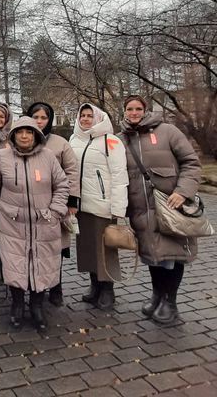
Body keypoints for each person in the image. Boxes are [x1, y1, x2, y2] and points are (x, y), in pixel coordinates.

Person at [119, 95, 201, 324]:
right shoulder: (120, 139)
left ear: (145, 110)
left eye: (138, 109)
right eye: (129, 109)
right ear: (124, 111)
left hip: (170, 207)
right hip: (141, 210)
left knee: (173, 256)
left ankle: (170, 303)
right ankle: (157, 296)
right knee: (153, 256)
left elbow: (191, 163)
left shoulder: (168, 132)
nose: (134, 113)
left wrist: (183, 191)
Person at [0, 116, 69, 331]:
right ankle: (16, 305)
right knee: (15, 263)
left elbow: (62, 184)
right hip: (12, 223)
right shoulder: (2, 157)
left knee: (41, 263)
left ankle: (36, 305)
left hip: (44, 222)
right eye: (20, 132)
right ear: (13, 135)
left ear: (36, 135)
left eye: (29, 132)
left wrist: (56, 211)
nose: (25, 136)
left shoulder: (48, 156)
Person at [70, 104, 129, 311]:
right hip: (80, 206)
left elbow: (120, 176)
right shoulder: (74, 139)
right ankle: (94, 284)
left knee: (105, 249)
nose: (86, 119)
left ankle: (107, 289)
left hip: (103, 206)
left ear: (98, 118)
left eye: (90, 116)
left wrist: (118, 208)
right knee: (87, 248)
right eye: (82, 115)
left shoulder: (111, 141)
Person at [26, 102, 80, 306]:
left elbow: (72, 172)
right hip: (29, 205)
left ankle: (56, 286)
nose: (39, 122)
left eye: (43, 118)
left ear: (49, 120)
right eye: (36, 117)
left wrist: (72, 200)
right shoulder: (23, 138)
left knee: (54, 247)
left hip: (55, 204)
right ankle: (33, 286)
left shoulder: (60, 143)